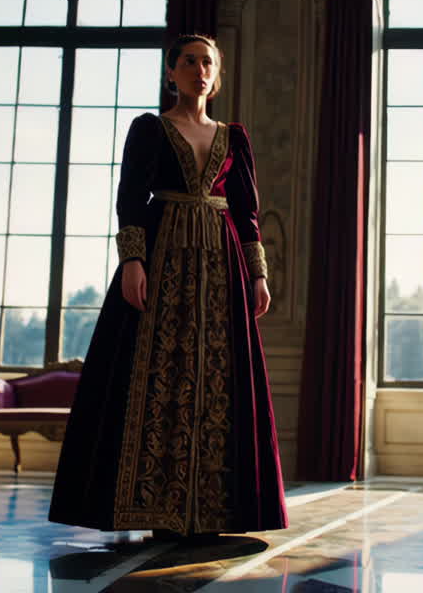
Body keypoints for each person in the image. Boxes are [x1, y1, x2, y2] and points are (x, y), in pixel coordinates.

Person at [48, 34, 288, 539]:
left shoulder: (234, 137)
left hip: (222, 267)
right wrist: (133, 260)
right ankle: (151, 505)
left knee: (218, 379)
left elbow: (246, 212)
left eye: (207, 63)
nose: (198, 70)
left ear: (216, 76)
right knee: (156, 374)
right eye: (189, 61)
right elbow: (131, 196)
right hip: (161, 256)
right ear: (171, 72)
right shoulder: (150, 129)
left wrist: (258, 272)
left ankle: (215, 510)